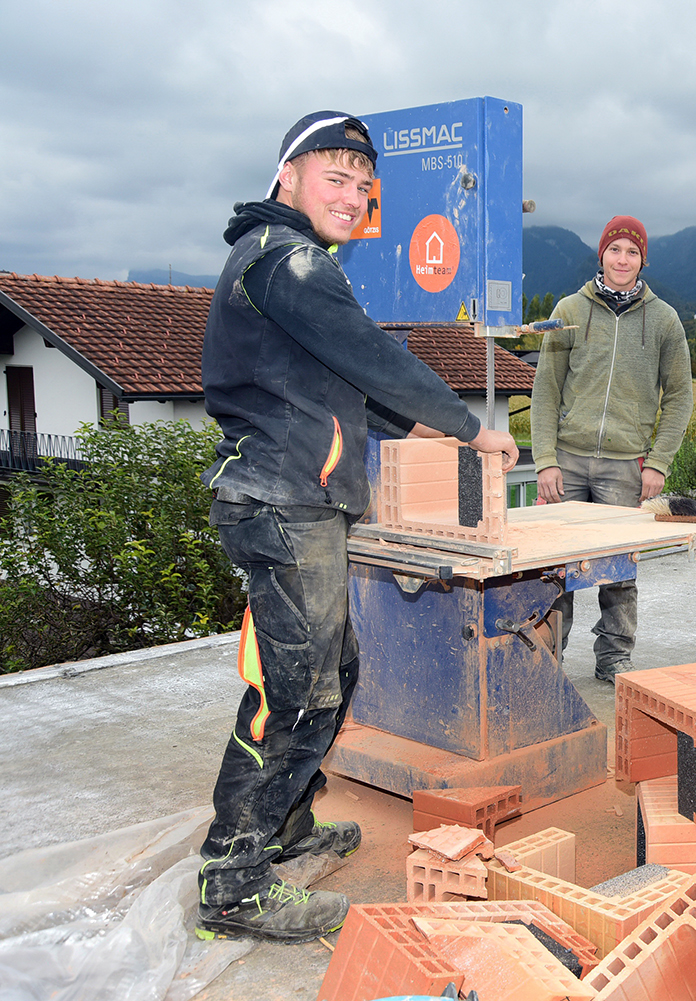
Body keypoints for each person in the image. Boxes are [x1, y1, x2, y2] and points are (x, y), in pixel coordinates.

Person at [197, 111, 519, 943]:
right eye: (335, 177)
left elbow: (342, 381)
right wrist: (469, 423)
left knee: (329, 666)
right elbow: (373, 354)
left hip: (294, 497)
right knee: (299, 692)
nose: (352, 195)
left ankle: (285, 828)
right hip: (283, 501)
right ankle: (234, 879)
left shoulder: (282, 264)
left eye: (362, 185)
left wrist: (414, 429)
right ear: (288, 177)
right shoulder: (289, 260)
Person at [531, 216, 693, 683]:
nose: (623, 259)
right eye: (615, 250)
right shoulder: (569, 311)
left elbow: (680, 395)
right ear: (601, 254)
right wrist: (545, 459)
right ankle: (547, 654)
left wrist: (658, 461)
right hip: (568, 461)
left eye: (632, 252)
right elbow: (546, 391)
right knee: (556, 567)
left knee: (620, 572)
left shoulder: (663, 320)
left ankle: (613, 658)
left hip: (625, 466)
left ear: (643, 260)